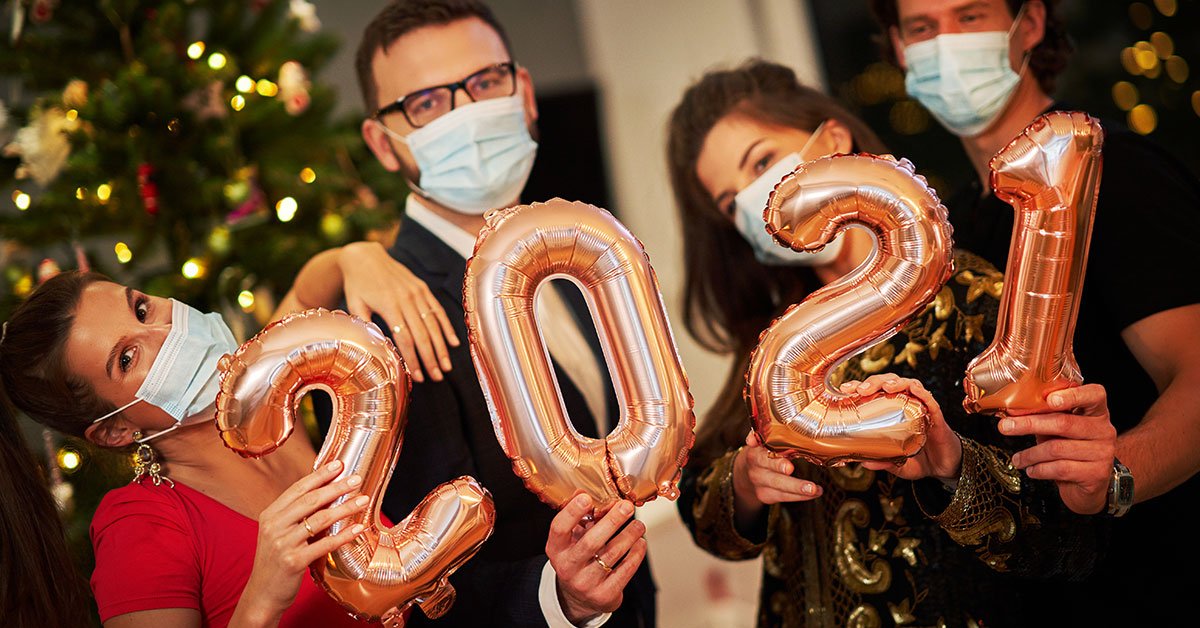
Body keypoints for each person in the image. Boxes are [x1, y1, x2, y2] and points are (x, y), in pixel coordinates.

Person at [666, 59, 1116, 626]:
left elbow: (1066, 537)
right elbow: (704, 513)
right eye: (731, 203)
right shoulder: (777, 336)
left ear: (833, 139)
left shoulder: (982, 304)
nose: (754, 205)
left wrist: (951, 465)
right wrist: (745, 482)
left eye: (761, 162)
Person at [871, 0, 1200, 623]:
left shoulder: (1114, 174)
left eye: (969, 18)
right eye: (922, 28)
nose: (945, 45)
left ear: (1031, 23)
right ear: (897, 46)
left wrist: (1118, 474)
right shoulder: (959, 218)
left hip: (1153, 585)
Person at [0, 241, 495, 627]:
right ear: (115, 430)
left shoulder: (270, 400)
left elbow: (307, 292)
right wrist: (262, 599)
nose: (165, 333)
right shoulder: (138, 525)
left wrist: (356, 257)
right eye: (127, 358)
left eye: (142, 308)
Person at [354, 1, 653, 626]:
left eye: (485, 83)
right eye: (429, 104)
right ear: (384, 144)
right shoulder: (385, 321)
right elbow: (420, 567)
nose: (469, 113)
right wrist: (557, 599)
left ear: (525, 94)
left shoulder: (571, 256)